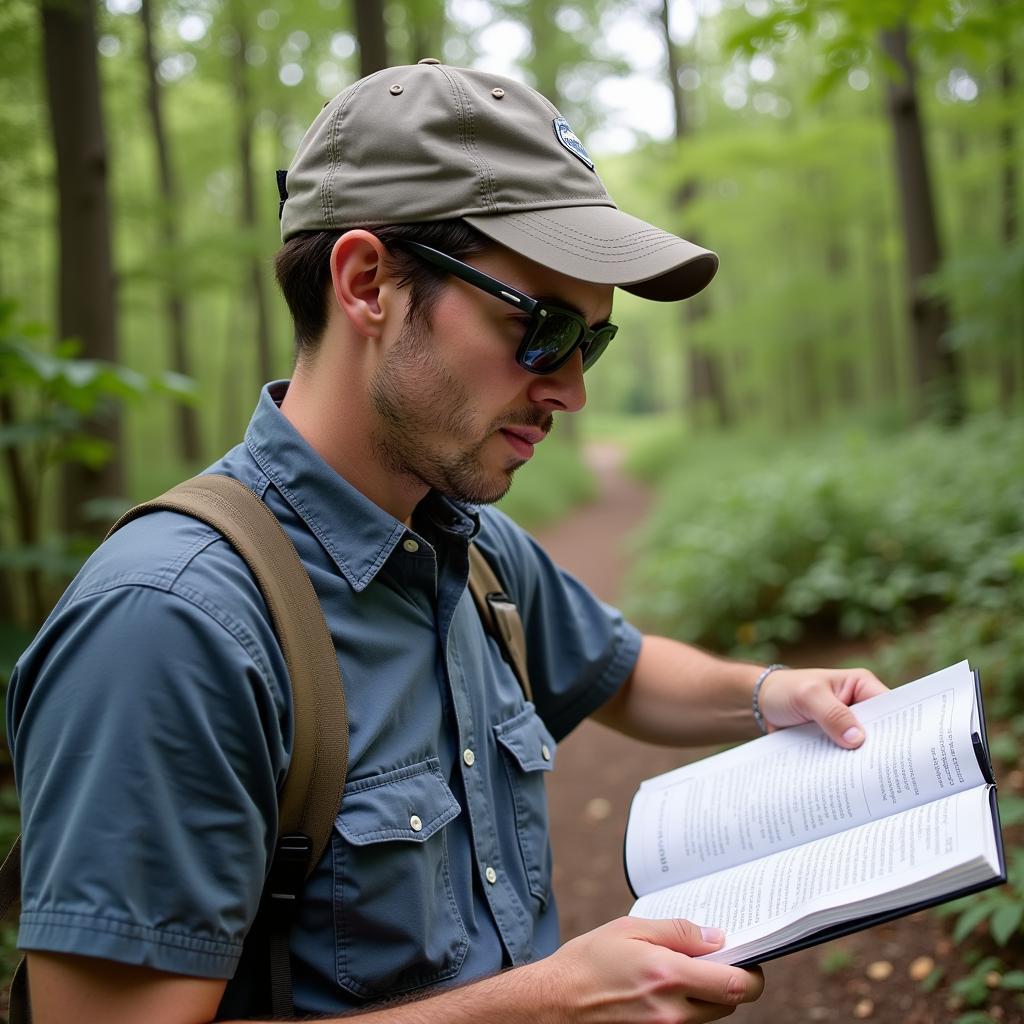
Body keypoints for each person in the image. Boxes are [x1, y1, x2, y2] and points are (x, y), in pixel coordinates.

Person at [7, 61, 886, 1024]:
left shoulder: (467, 550)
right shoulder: (171, 628)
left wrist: (771, 695)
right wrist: (550, 1003)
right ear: (367, 282)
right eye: (542, 326)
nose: (570, 390)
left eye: (590, 342)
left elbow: (619, 668)